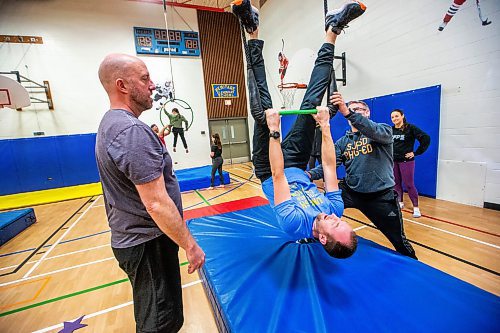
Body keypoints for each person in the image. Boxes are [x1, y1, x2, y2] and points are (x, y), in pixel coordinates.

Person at [232, 0, 367, 258]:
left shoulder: (295, 224)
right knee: (313, 103)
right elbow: (328, 166)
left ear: (323, 236)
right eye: (341, 220)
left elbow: (278, 174)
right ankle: (333, 30)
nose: (335, 217)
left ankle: (252, 31)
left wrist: (274, 130)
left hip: (269, 169)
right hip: (297, 162)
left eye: (335, 223)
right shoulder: (334, 209)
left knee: (262, 110)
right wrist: (325, 127)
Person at [95, 53, 205, 333]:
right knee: (160, 323)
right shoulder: (131, 131)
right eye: (144, 79)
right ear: (122, 86)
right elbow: (156, 202)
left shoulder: (112, 123)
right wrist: (189, 245)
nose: (152, 85)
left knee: (156, 317)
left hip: (137, 240)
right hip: (148, 243)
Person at [308, 100, 418, 259]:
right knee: (318, 213)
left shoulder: (383, 131)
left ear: (367, 113)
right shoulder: (343, 143)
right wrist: (309, 175)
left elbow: (372, 129)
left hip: (380, 197)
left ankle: (413, 263)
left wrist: (347, 112)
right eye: (353, 110)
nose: (356, 112)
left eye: (360, 109)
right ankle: (312, 241)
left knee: (398, 240)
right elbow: (329, 165)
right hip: (351, 191)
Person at [391, 109, 430, 218]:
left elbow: (425, 138)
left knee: (409, 184)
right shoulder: (391, 130)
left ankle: (416, 208)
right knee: (396, 183)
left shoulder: (410, 128)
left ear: (402, 116)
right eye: (392, 117)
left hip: (406, 161)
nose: (394, 119)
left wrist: (416, 152)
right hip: (394, 161)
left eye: (397, 116)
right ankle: (400, 202)